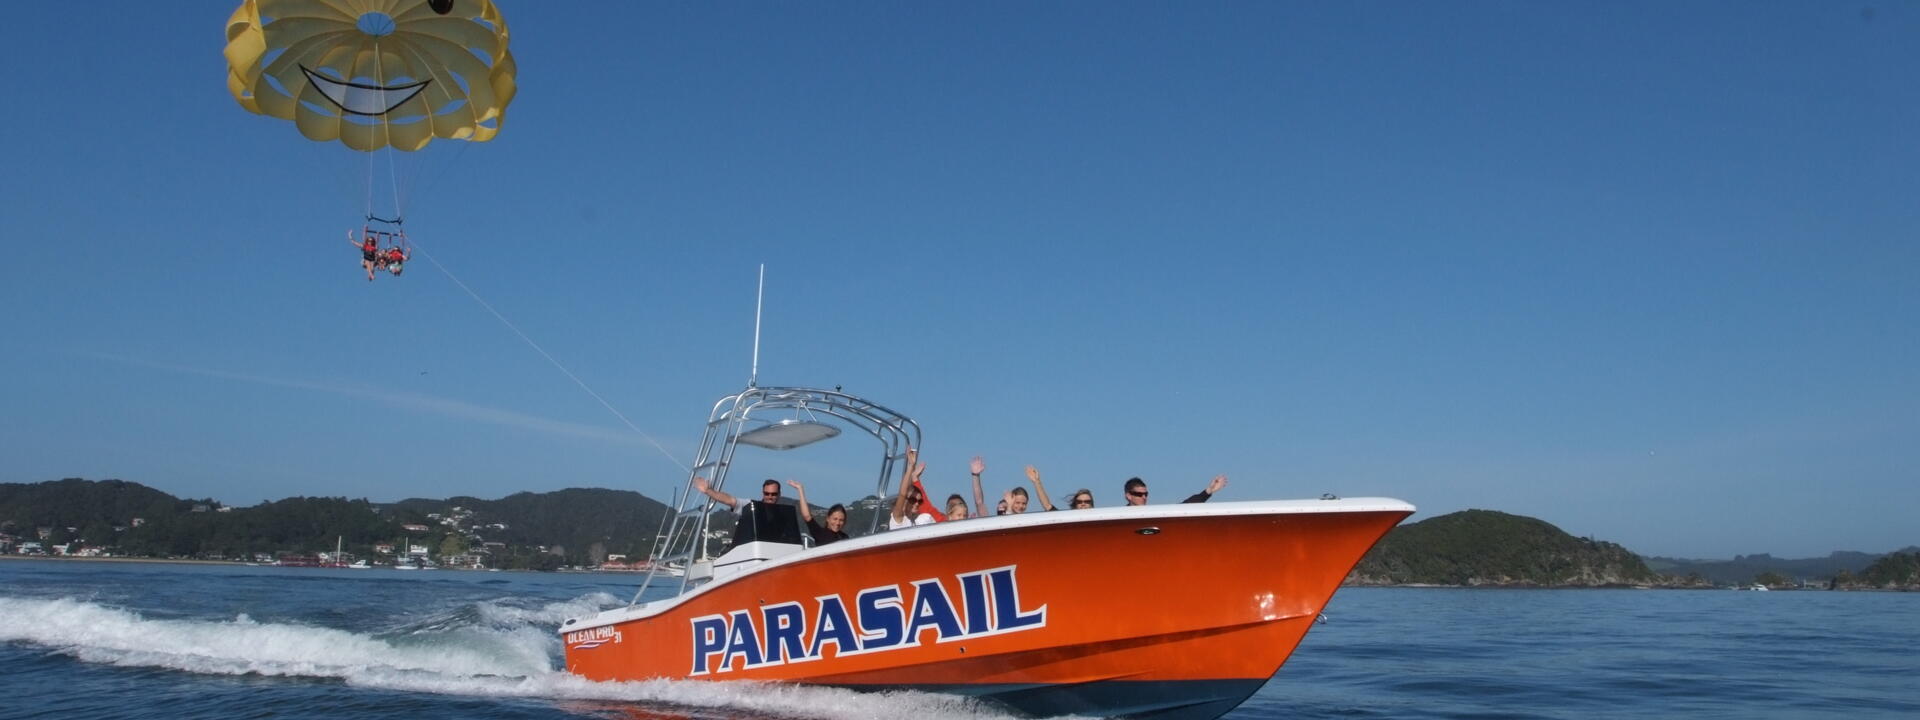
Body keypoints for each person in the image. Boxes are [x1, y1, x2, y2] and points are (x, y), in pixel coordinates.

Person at [785, 479, 848, 546]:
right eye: (835, 519)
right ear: (828, 519)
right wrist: (800, 489)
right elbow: (807, 516)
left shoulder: (845, 538)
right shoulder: (820, 533)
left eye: (841, 520)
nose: (837, 523)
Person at [889, 448, 938, 529]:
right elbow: (902, 494)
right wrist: (911, 466)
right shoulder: (898, 518)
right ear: (905, 500)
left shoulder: (919, 521)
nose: (917, 504)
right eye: (913, 500)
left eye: (920, 501)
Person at [1122, 474, 1229, 506]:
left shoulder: (1152, 514)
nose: (1144, 497)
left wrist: (1209, 491)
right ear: (1128, 496)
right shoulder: (1118, 517)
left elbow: (1185, 506)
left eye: (1146, 494)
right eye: (1139, 494)